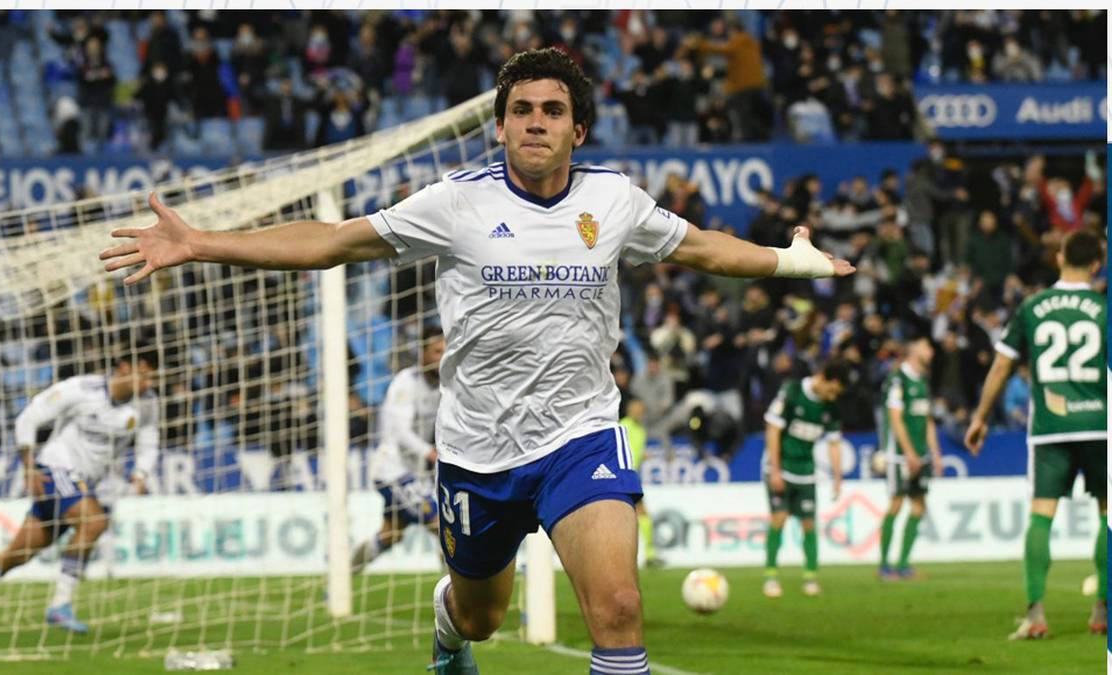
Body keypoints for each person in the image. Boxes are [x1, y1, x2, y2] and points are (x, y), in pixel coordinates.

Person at [100, 47, 853, 675]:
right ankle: (448, 626)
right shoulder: (454, 202)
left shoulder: (615, 202)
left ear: (578, 129)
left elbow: (701, 247)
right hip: (477, 452)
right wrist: (202, 242)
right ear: (499, 126)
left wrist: (788, 263)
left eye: (552, 110)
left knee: (620, 609)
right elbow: (333, 241)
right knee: (481, 616)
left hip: (579, 436)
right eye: (521, 109)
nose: (535, 122)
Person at [0, 351, 159, 638]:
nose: (149, 383)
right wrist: (28, 467)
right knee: (95, 522)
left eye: (152, 377)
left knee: (18, 555)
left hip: (83, 482)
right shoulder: (81, 389)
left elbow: (149, 441)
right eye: (146, 374)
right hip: (53, 469)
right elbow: (28, 417)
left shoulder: (148, 404)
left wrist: (141, 474)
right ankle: (60, 604)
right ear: (125, 367)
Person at [965, 229, 1107, 640]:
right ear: (1097, 263)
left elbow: (1001, 367)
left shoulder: (1034, 307)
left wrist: (980, 416)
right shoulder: (1103, 308)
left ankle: (1035, 613)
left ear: (1059, 257)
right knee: (1108, 514)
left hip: (1050, 430)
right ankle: (1102, 611)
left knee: (1041, 515)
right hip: (1101, 426)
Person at [351, 328, 445, 572]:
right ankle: (459, 600)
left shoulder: (444, 386)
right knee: (443, 527)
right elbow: (401, 432)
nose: (441, 357)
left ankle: (341, 575)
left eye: (445, 351)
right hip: (391, 470)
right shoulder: (406, 383)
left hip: (414, 474)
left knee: (391, 535)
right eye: (436, 351)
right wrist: (431, 453)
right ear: (422, 353)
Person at [761, 358, 847, 598]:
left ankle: (810, 576)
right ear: (823, 378)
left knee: (809, 523)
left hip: (806, 470)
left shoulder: (831, 407)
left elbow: (834, 443)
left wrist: (837, 477)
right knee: (779, 518)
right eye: (832, 389)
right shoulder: (792, 391)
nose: (833, 396)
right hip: (781, 467)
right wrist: (775, 470)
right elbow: (773, 430)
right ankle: (770, 576)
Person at [876, 336, 941, 581]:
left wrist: (935, 454)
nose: (931, 352)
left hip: (921, 455)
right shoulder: (897, 379)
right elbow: (895, 418)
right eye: (927, 347)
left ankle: (903, 564)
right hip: (899, 456)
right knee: (896, 503)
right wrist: (909, 452)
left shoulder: (923, 380)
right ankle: (884, 565)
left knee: (918, 506)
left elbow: (927, 420)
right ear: (914, 350)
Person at [620, 398, 660, 568]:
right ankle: (649, 555)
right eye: (637, 409)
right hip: (621, 476)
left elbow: (635, 451)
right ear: (630, 410)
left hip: (631, 477)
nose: (639, 413)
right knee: (638, 514)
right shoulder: (622, 426)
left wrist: (643, 455)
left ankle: (650, 555)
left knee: (640, 515)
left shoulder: (641, 431)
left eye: (641, 410)